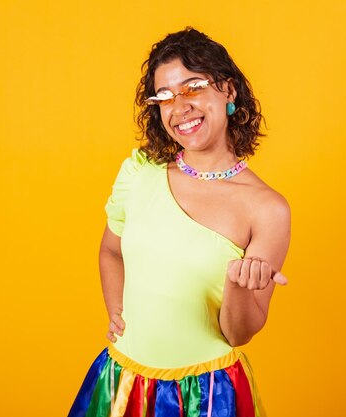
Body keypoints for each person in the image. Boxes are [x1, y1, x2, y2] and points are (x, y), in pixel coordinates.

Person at [69, 27, 291, 417]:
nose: (179, 107)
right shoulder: (139, 171)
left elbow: (239, 333)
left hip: (207, 395)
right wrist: (118, 312)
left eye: (193, 88)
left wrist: (240, 285)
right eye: (166, 97)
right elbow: (110, 250)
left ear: (228, 91)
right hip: (122, 382)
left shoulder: (267, 209)